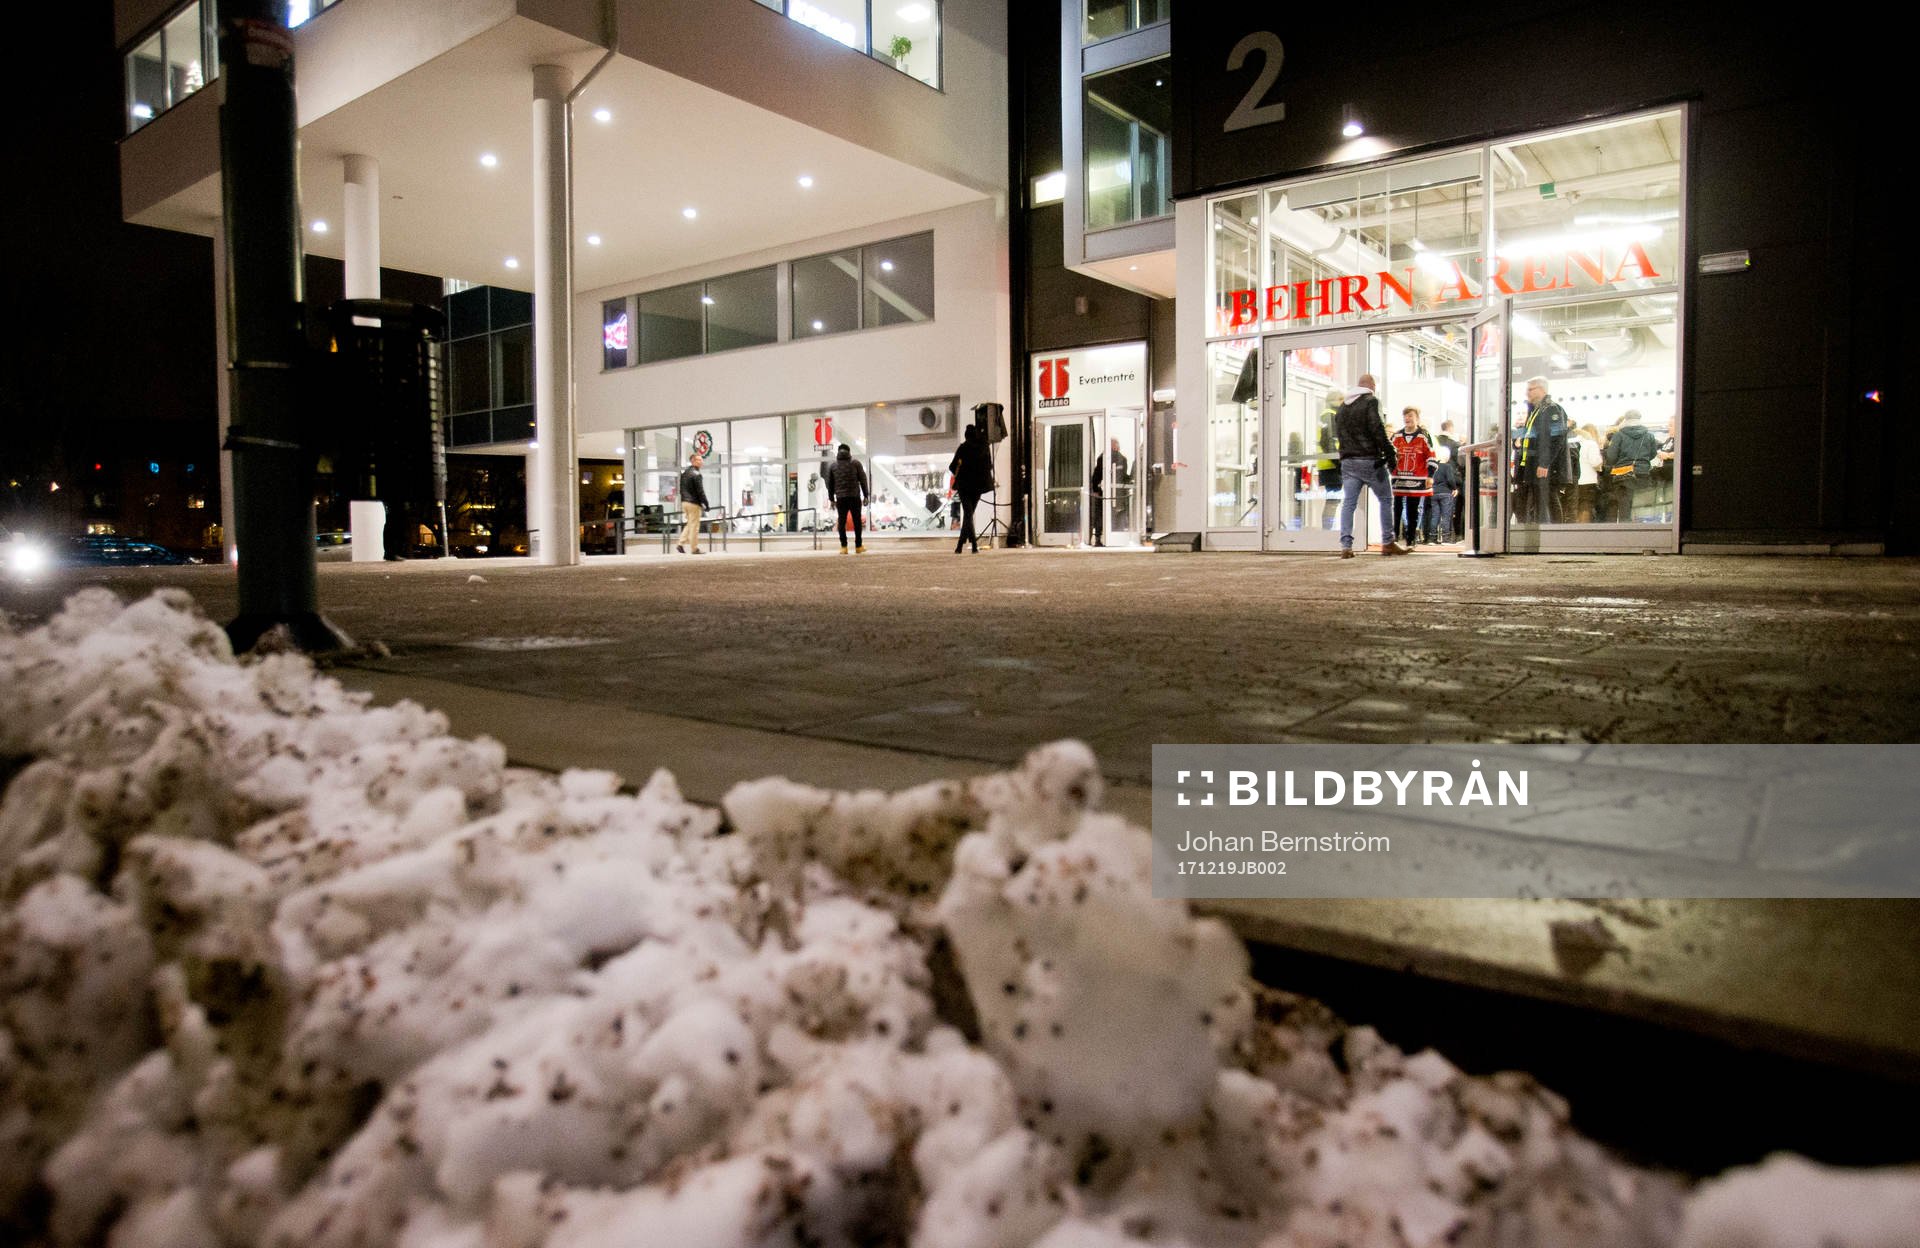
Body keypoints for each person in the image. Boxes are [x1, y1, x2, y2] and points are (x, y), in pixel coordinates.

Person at [1333, 373, 1407, 558]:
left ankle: (1346, 546)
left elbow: (1340, 435)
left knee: (1348, 503)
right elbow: (1378, 429)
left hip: (1348, 462)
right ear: (1372, 386)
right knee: (1386, 499)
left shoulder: (1342, 407)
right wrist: (1390, 453)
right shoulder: (1371, 401)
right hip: (1370, 461)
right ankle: (1388, 542)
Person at [1512, 376, 1569, 524]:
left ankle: (1555, 535)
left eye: (1531, 389)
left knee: (1549, 500)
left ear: (1542, 389)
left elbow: (1557, 439)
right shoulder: (1536, 411)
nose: (1527, 393)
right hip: (1531, 467)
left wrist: (1544, 463)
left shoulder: (1552, 409)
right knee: (1537, 504)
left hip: (1544, 468)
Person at [1598, 410, 1659, 522]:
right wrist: (1642, 462)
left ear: (1626, 420)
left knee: (1625, 510)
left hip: (1623, 476)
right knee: (1642, 509)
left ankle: (1626, 535)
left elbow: (1611, 457)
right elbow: (1653, 454)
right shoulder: (1649, 436)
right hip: (1643, 474)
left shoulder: (1619, 436)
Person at [1389, 406, 1436, 545]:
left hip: (1417, 479)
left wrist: (1430, 475)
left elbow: (1431, 455)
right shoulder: (1396, 436)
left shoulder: (1423, 436)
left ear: (1417, 418)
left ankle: (1410, 539)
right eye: (1405, 416)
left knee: (1413, 509)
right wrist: (1391, 469)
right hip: (1399, 477)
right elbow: (1389, 454)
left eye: (1410, 416)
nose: (1407, 419)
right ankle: (1395, 537)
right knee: (1397, 508)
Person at [948, 424, 994, 554]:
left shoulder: (963, 448)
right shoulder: (984, 447)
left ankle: (961, 545)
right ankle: (972, 545)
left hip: (964, 485)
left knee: (968, 514)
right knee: (969, 514)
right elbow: (989, 466)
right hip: (978, 486)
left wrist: (962, 468)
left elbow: (952, 466)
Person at [825, 442, 870, 553]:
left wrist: (831, 499)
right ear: (849, 452)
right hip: (854, 497)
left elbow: (830, 484)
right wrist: (866, 495)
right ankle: (858, 546)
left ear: (838, 452)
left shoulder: (833, 466)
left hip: (841, 498)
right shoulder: (856, 463)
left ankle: (844, 547)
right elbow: (863, 480)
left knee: (842, 521)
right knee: (857, 522)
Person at [1089, 436, 1129, 546]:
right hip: (1113, 492)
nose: (1117, 447)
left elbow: (1096, 475)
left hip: (1110, 492)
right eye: (1116, 445)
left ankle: (1100, 538)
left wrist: (1095, 489)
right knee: (1112, 514)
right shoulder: (1119, 458)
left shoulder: (1103, 457)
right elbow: (1098, 475)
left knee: (1101, 515)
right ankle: (1115, 537)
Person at [1434, 419, 1463, 541]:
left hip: (1434, 481)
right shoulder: (1454, 444)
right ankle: (1448, 536)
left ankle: (1431, 536)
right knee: (1449, 512)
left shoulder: (1434, 441)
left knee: (1433, 513)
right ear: (1450, 428)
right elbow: (1459, 463)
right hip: (1449, 484)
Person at [1568, 423, 1603, 523]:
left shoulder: (1571, 443)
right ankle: (1584, 530)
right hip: (1588, 481)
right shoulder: (1591, 444)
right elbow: (1595, 462)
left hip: (1573, 480)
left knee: (1574, 507)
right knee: (1586, 506)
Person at [677, 453, 710, 554]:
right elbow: (700, 491)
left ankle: (680, 544)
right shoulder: (697, 474)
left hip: (684, 502)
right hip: (693, 503)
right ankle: (694, 548)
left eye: (701, 460)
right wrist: (706, 504)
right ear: (693, 461)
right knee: (695, 526)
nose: (701, 462)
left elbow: (681, 489)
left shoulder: (684, 473)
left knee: (689, 523)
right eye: (699, 460)